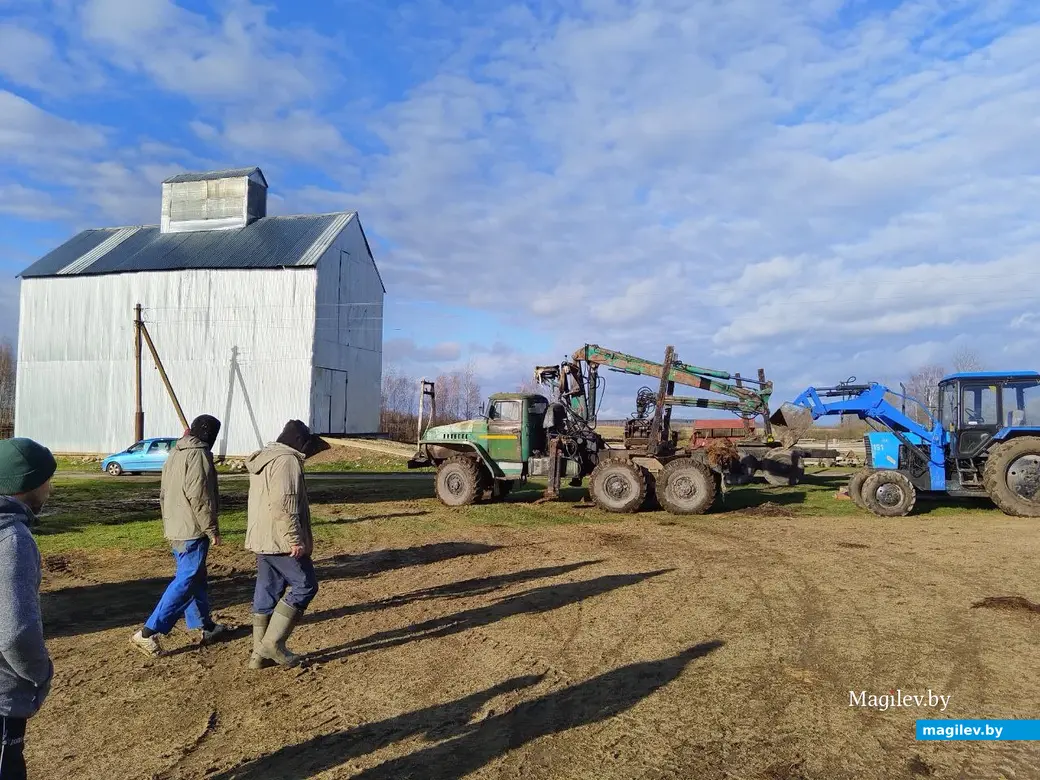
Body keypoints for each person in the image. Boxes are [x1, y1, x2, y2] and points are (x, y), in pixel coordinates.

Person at [130, 415, 230, 656]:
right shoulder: (198, 455)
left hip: (176, 525)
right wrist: (211, 528)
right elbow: (200, 496)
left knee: (195, 578)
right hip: (191, 529)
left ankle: (206, 626)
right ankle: (148, 632)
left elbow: (164, 492)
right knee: (186, 580)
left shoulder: (176, 452)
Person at [0, 437, 57, 779]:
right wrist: (41, 675)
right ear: (28, 484)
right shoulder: (13, 540)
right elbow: (15, 633)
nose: (50, 489)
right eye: (47, 480)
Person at [244, 420, 318, 669]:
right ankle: (272, 644)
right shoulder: (287, 460)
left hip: (263, 537)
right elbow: (284, 503)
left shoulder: (265, 458)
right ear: (299, 443)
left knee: (267, 591)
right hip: (280, 539)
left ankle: (258, 656)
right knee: (305, 585)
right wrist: (294, 539)